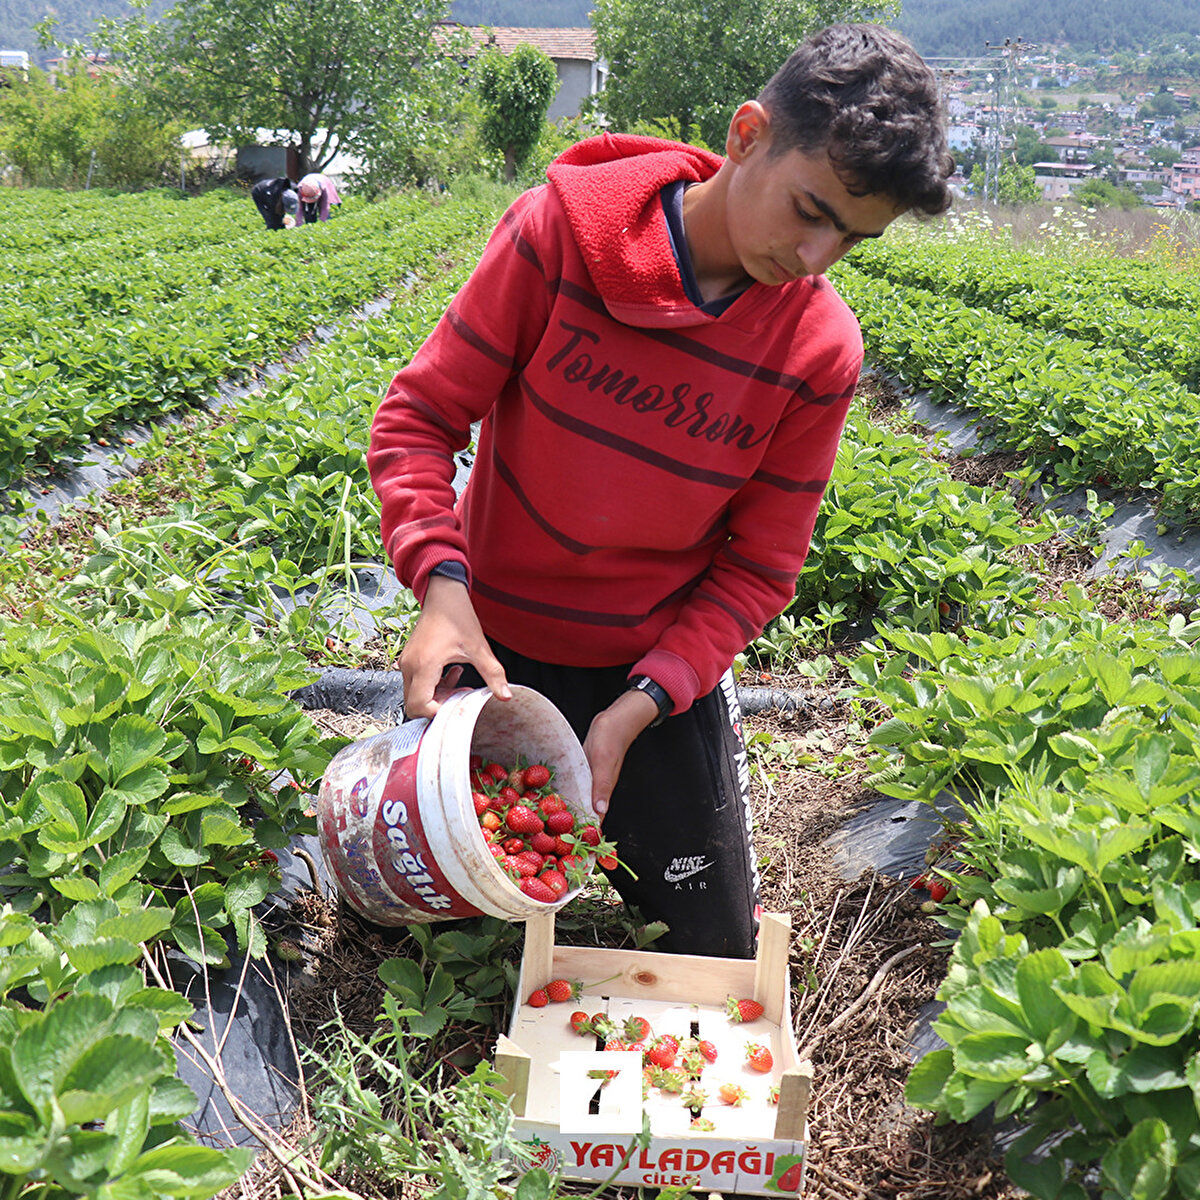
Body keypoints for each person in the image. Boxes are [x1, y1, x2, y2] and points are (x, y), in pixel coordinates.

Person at [367, 23, 953, 958]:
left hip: (651, 672)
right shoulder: (559, 236)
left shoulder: (817, 350)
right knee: (434, 931)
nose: (815, 255)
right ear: (749, 134)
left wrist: (641, 704)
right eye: (810, 209)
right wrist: (441, 591)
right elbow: (419, 418)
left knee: (707, 954)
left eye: (851, 236)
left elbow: (760, 569)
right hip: (495, 650)